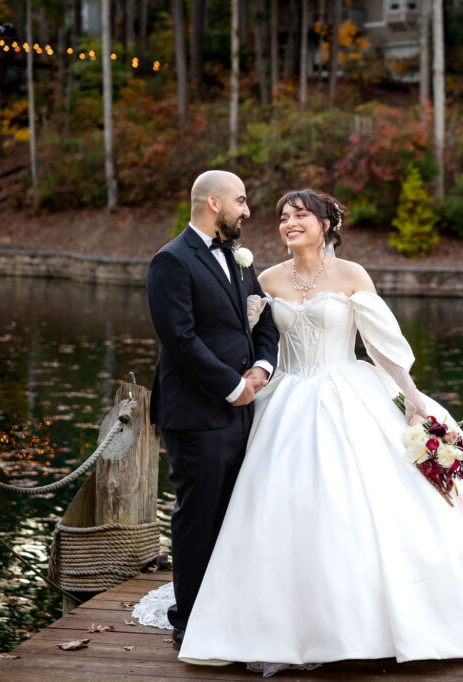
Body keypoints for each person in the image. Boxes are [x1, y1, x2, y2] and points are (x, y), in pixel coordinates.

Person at [138, 189, 463, 672]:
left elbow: (382, 345)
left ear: (326, 224)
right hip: (284, 400)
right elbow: (249, 338)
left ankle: (385, 616)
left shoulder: (352, 275)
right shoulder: (263, 278)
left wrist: (413, 400)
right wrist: (249, 367)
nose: (289, 222)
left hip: (349, 391)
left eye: (301, 215)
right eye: (284, 216)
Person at [145, 170, 280, 651]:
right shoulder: (171, 260)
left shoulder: (241, 258)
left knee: (233, 514)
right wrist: (231, 386)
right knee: (198, 517)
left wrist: (262, 367)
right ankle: (189, 619)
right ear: (214, 204)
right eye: (241, 201)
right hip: (196, 413)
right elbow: (179, 338)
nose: (247, 211)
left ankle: (226, 610)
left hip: (244, 409)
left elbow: (263, 320)